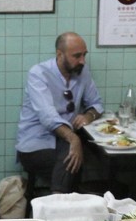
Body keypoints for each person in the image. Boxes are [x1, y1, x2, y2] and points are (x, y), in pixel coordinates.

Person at [14, 32, 105, 195]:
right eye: (77, 56)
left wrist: (88, 116)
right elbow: (48, 117)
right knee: (72, 160)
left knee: (77, 156)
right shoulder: (39, 73)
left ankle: (58, 201)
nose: (82, 61)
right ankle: (60, 200)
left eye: (84, 55)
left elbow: (96, 104)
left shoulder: (83, 72)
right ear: (59, 54)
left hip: (65, 141)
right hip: (36, 142)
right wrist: (73, 138)